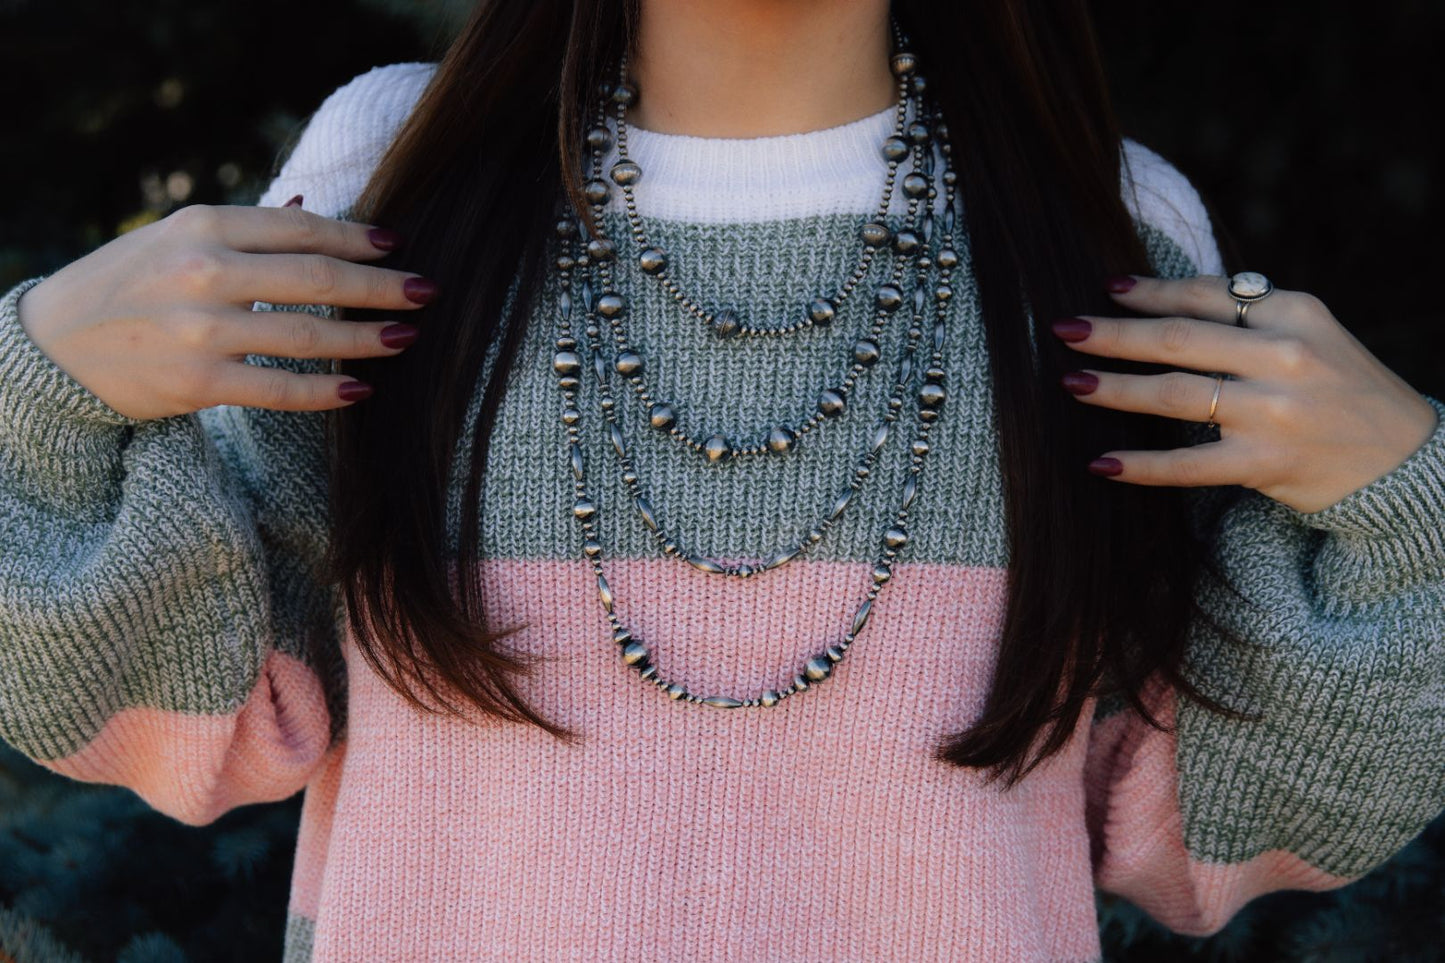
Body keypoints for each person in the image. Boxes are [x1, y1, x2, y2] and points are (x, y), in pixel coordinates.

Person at [2, 0, 1442, 960]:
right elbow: (202, 725)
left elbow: (1204, 824)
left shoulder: (1107, 228)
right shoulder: (394, 172)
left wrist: (1408, 507)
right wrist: (40, 389)